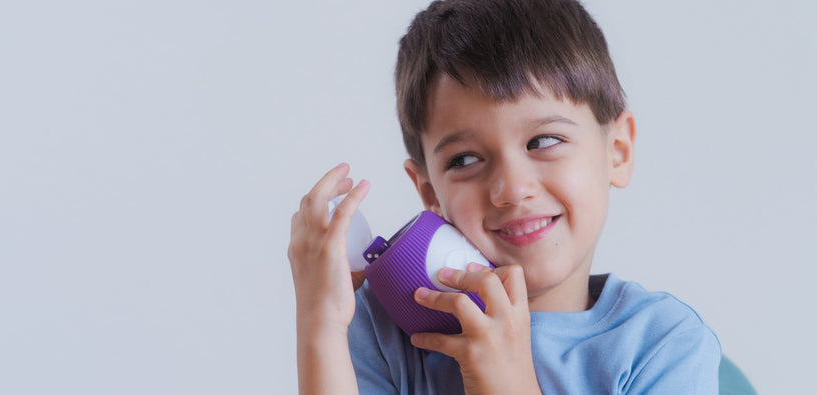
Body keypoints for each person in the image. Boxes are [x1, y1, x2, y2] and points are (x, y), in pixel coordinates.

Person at [287, 0, 721, 393]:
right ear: (428, 191)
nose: (512, 190)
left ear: (618, 152)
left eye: (543, 141)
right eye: (465, 160)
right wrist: (320, 323)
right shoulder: (383, 329)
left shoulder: (663, 345)